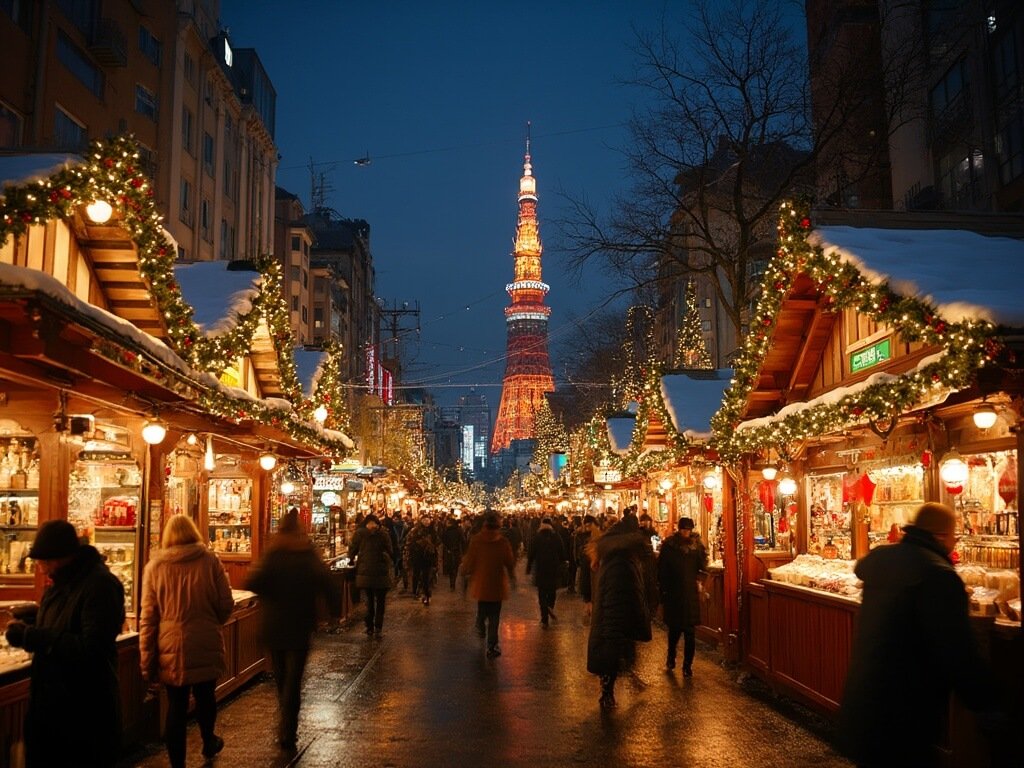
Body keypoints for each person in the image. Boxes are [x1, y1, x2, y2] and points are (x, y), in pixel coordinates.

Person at [836, 502, 995, 767]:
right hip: (906, 712)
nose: (956, 541)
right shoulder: (939, 576)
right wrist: (986, 704)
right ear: (942, 536)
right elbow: (957, 651)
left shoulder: (884, 560)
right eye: (955, 535)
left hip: (864, 702)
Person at [4, 519, 125, 768]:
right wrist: (36, 616)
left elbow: (92, 648)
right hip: (52, 712)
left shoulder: (100, 586)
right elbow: (68, 622)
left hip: (84, 716)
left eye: (44, 562)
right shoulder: (63, 583)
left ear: (62, 557)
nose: (40, 569)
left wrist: (32, 636)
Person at [140, 514, 234, 768]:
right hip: (205, 640)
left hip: (171, 646)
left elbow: (148, 618)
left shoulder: (155, 567)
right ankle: (207, 741)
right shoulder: (210, 561)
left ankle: (177, 762)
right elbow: (226, 603)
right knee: (206, 697)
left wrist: (147, 661)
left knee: (176, 705)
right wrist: (212, 622)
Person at [246, 509, 340, 751]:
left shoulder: (273, 554)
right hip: (300, 625)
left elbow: (253, 583)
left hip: (273, 625)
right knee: (294, 679)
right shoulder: (308, 554)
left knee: (281, 676)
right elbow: (329, 585)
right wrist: (334, 613)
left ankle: (285, 718)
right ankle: (289, 725)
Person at [586, 514, 658, 708]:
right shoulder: (624, 558)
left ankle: (610, 687)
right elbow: (632, 587)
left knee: (613, 647)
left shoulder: (609, 551)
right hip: (618, 608)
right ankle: (609, 690)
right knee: (615, 647)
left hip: (608, 609)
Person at [460, 511, 516, 658]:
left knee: (482, 607)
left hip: (481, 584)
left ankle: (480, 624)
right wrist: (512, 577)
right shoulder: (503, 542)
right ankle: (491, 645)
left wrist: (464, 571)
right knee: (494, 617)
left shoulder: (477, 540)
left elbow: (470, 559)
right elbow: (509, 562)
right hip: (497, 584)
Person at [657, 516, 707, 676]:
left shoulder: (696, 547)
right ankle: (671, 659)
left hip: (690, 593)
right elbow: (662, 570)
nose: (686, 532)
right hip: (674, 593)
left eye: (688, 529)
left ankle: (687, 665)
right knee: (674, 631)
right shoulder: (670, 546)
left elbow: (701, 567)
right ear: (679, 529)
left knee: (690, 632)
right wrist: (663, 591)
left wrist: (700, 581)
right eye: (684, 529)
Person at [346, 513, 394, 636]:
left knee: (369, 600)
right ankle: (377, 626)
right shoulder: (383, 534)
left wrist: (351, 559)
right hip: (380, 572)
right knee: (379, 601)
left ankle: (370, 626)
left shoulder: (359, 534)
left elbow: (352, 550)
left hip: (366, 572)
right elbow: (391, 550)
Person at [525, 516, 566, 627]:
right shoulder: (555, 536)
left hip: (541, 568)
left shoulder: (537, 537)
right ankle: (550, 607)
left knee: (542, 593)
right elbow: (561, 551)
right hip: (553, 567)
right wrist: (563, 562)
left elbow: (531, 553)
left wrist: (528, 567)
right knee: (552, 591)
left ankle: (544, 619)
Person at [405, 516, 438, 605]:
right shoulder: (415, 531)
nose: (426, 522)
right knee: (416, 575)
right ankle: (416, 592)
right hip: (417, 557)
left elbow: (437, 543)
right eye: (424, 520)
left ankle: (426, 595)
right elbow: (409, 542)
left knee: (426, 577)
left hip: (428, 558)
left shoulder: (433, 531)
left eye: (428, 520)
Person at [441, 513, 466, 590]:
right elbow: (462, 541)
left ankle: (452, 583)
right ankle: (453, 582)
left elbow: (443, 541)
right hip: (456, 551)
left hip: (448, 551)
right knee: (455, 567)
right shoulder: (459, 530)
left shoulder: (446, 531)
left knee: (451, 568)